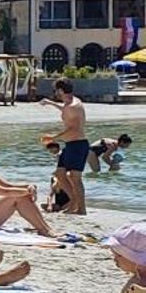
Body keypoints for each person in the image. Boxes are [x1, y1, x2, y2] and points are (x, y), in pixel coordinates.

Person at [44, 77, 89, 215]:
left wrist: (53, 137)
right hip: (70, 145)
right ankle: (74, 200)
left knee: (75, 178)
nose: (55, 92)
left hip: (78, 145)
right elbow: (65, 109)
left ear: (61, 90)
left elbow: (73, 128)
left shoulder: (73, 107)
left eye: (56, 90)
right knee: (60, 174)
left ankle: (81, 209)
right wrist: (50, 103)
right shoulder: (71, 102)